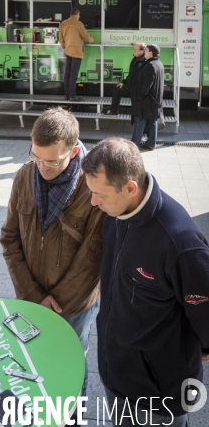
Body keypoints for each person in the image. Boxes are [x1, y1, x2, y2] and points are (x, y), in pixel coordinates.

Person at [82, 137, 209, 426]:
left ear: (130, 188)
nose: (93, 202)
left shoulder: (180, 242)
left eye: (99, 194)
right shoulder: (116, 211)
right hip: (117, 373)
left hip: (159, 391)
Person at [1, 107, 104, 396]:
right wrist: (33, 294)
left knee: (72, 365)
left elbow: (93, 257)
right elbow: (10, 238)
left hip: (73, 307)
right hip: (32, 297)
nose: (42, 168)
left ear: (72, 154)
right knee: (36, 362)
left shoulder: (92, 186)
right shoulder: (25, 175)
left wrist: (57, 304)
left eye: (52, 162)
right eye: (36, 156)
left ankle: (73, 414)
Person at [130, 43, 164, 150]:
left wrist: (139, 96)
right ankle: (150, 144)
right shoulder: (159, 64)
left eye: (146, 51)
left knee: (140, 121)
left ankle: (135, 144)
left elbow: (146, 85)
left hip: (145, 100)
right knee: (152, 121)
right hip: (155, 100)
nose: (145, 52)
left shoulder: (150, 65)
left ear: (151, 53)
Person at [59, 8, 94, 101]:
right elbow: (86, 36)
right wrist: (92, 40)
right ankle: (72, 95)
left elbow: (60, 39)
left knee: (67, 73)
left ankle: (66, 95)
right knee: (73, 74)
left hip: (68, 51)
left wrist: (65, 46)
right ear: (77, 14)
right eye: (79, 15)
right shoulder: (78, 24)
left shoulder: (63, 23)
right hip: (76, 52)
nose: (79, 16)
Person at [104, 42, 146, 116]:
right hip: (131, 86)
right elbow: (131, 74)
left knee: (117, 91)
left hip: (135, 88)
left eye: (136, 49)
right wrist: (123, 82)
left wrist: (128, 85)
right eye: (134, 49)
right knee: (117, 89)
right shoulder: (136, 58)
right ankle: (114, 111)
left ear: (143, 51)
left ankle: (114, 112)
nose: (134, 51)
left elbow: (135, 77)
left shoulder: (143, 61)